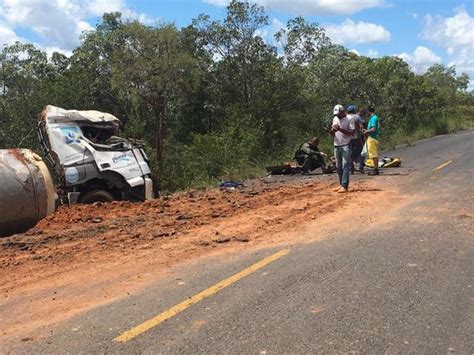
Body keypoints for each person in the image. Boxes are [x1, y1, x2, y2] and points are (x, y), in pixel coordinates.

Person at [330, 104, 355, 193]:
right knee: (338, 166)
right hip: (337, 144)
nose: (337, 116)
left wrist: (340, 129)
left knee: (345, 165)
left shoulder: (350, 118)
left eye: (339, 114)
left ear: (342, 111)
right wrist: (333, 131)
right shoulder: (335, 119)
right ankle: (341, 184)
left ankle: (344, 185)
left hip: (345, 144)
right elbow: (332, 133)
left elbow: (352, 132)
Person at [363, 106, 381, 176]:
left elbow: (373, 129)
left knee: (374, 155)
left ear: (368, 111)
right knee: (373, 154)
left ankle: (376, 170)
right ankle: (375, 169)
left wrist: (366, 131)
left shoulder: (373, 118)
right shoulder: (374, 118)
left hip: (372, 138)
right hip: (373, 137)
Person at [347, 105, 365, 174]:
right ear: (354, 110)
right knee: (361, 151)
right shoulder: (357, 117)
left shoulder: (346, 117)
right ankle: (361, 166)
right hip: (357, 137)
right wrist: (363, 132)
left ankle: (351, 168)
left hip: (349, 138)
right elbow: (361, 126)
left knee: (350, 153)